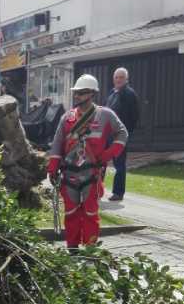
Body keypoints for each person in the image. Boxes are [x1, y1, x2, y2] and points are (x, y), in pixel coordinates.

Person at [47, 74, 128, 250]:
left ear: (92, 94)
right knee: (70, 212)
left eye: (81, 93)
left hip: (92, 173)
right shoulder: (66, 118)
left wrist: (108, 154)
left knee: (91, 212)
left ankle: (90, 248)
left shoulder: (106, 115)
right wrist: (53, 167)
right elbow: (57, 144)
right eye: (76, 93)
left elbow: (123, 134)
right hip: (69, 174)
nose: (77, 96)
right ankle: (73, 248)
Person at [104, 67, 139, 201]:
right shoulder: (112, 93)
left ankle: (118, 193)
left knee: (119, 165)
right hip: (107, 135)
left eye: (121, 77)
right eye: (116, 77)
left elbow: (134, 117)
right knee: (101, 162)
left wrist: (125, 133)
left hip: (119, 135)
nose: (118, 80)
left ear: (126, 79)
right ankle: (96, 189)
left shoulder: (129, 94)